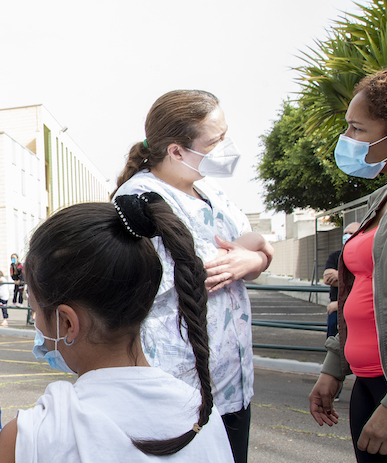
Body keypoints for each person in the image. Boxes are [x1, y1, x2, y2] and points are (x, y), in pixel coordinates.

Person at [0, 194, 231, 462]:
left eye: (35, 310)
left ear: (67, 323)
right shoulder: (201, 413)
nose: (37, 323)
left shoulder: (34, 434)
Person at [112, 89, 274, 463]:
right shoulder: (139, 201)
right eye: (216, 141)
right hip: (180, 385)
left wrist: (256, 258)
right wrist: (246, 247)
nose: (226, 146)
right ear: (176, 151)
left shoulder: (210, 190)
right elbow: (165, 279)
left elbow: (249, 249)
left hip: (232, 382)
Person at [310, 67, 387, 462]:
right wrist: (334, 366)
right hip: (368, 384)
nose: (347, 140)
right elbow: (359, 291)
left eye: (357, 129)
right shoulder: (380, 201)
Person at [323, 223, 360, 338]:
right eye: (345, 233)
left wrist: (338, 275)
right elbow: (327, 279)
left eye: (351, 233)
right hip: (335, 309)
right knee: (333, 342)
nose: (347, 236)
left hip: (354, 307)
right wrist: (352, 277)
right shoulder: (335, 256)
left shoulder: (363, 256)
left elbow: (364, 282)